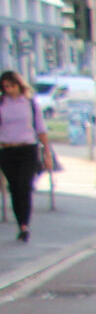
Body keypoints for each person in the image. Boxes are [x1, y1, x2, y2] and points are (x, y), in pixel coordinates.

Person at [0, 72, 50, 245]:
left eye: (12, 86)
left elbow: (41, 130)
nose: (9, 90)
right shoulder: (2, 104)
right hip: (8, 150)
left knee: (24, 185)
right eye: (5, 87)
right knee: (14, 188)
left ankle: (25, 225)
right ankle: (21, 223)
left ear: (19, 85)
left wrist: (47, 154)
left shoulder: (30, 104)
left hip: (28, 149)